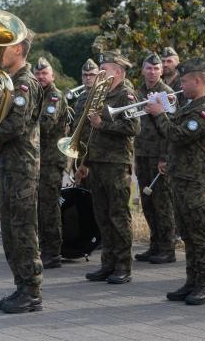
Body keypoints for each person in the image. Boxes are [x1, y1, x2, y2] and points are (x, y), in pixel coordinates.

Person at [145, 58, 205, 305]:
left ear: (198, 81)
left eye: (185, 81)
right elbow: (170, 136)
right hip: (181, 178)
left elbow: (178, 135)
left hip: (196, 180)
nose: (181, 84)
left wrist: (160, 115)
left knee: (198, 233)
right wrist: (162, 112)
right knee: (187, 233)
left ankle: (204, 285)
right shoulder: (189, 106)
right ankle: (192, 280)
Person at [0, 31, 44, 314]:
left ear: (17, 49)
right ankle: (21, 287)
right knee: (10, 230)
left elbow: (15, 126)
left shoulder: (25, 84)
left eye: (3, 47)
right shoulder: (9, 82)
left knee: (23, 230)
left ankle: (32, 291)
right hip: (8, 164)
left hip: (22, 167)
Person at [76, 50, 140, 285]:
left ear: (119, 72)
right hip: (98, 163)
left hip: (116, 164)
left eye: (106, 69)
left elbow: (134, 127)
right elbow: (90, 132)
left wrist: (103, 124)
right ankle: (107, 264)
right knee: (102, 216)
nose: (101, 72)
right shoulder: (99, 93)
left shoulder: (127, 95)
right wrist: (85, 163)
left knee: (118, 216)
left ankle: (123, 266)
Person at [133, 53, 176, 264]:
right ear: (142, 70)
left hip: (158, 156)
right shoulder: (138, 92)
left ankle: (167, 248)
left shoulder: (167, 93)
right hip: (142, 154)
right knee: (148, 203)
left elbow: (171, 130)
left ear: (161, 71)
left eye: (156, 68)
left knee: (163, 204)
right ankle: (155, 244)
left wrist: (165, 158)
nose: (152, 72)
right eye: (148, 68)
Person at [34, 57, 69, 269]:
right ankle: (44, 247)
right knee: (40, 208)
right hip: (38, 161)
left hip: (50, 161)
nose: (40, 77)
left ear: (52, 76)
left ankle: (53, 252)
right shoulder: (37, 96)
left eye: (44, 74)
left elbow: (45, 125)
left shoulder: (54, 97)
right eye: (37, 74)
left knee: (49, 208)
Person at [69, 58, 100, 188]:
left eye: (92, 75)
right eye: (85, 75)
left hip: (95, 153)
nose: (88, 78)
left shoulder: (102, 96)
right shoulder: (80, 97)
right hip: (80, 152)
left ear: (98, 76)